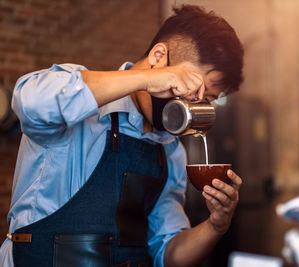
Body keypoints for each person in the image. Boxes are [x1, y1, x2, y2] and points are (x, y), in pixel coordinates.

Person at [0, 4, 244, 267]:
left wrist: (216, 226)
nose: (194, 106)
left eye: (205, 100)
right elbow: (29, 103)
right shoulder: (82, 100)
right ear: (160, 57)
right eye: (192, 88)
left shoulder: (170, 151)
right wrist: (145, 79)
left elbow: (168, 252)